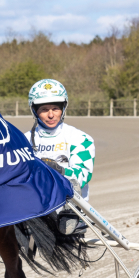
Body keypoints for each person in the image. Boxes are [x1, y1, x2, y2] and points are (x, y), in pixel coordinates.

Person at [25, 78, 95, 233]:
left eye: (55, 108)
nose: (51, 115)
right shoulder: (23, 141)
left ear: (63, 108)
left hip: (69, 209)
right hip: (34, 210)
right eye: (44, 109)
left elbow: (82, 175)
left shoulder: (81, 139)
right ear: (34, 110)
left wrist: (58, 170)